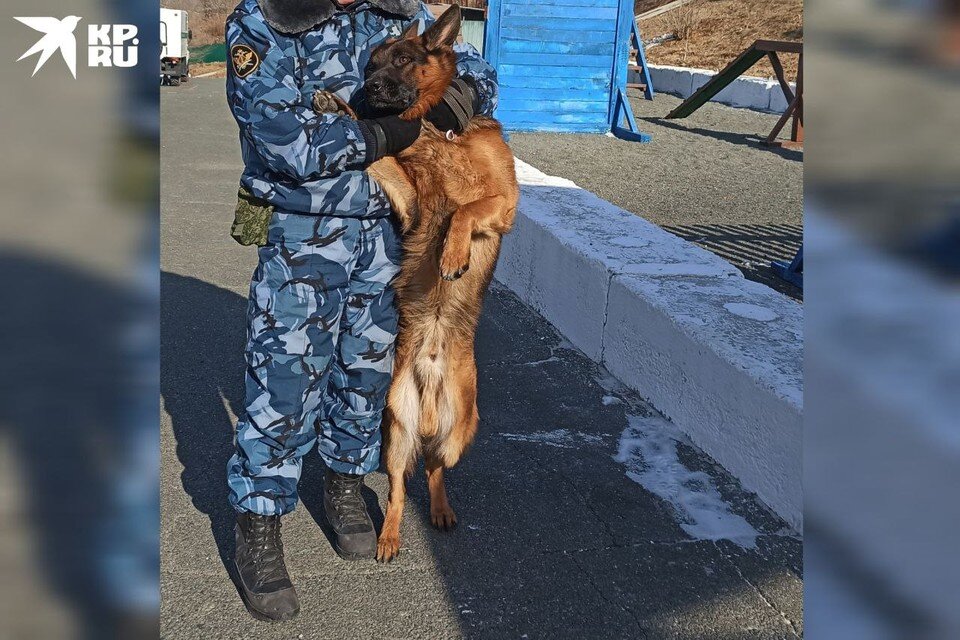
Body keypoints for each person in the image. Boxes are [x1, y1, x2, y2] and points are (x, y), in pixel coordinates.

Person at [223, 0, 498, 621]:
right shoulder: (265, 20)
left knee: (367, 372)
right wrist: (383, 135)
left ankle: (346, 482)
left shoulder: (400, 11)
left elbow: (476, 70)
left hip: (393, 233)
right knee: (285, 381)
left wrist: (461, 97)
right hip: (305, 228)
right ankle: (259, 521)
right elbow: (279, 139)